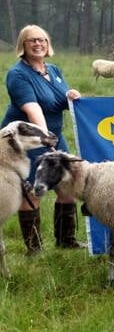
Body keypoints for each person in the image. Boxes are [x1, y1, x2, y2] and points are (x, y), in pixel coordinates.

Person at [2, 25, 83, 253]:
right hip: (27, 141)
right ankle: (34, 249)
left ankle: (66, 241)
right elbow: (33, 109)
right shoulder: (17, 74)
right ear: (23, 46)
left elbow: (58, 98)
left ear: (48, 44)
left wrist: (71, 96)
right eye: (32, 41)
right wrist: (47, 140)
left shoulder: (53, 70)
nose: (38, 44)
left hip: (53, 138)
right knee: (34, 191)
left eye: (42, 40)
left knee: (67, 185)